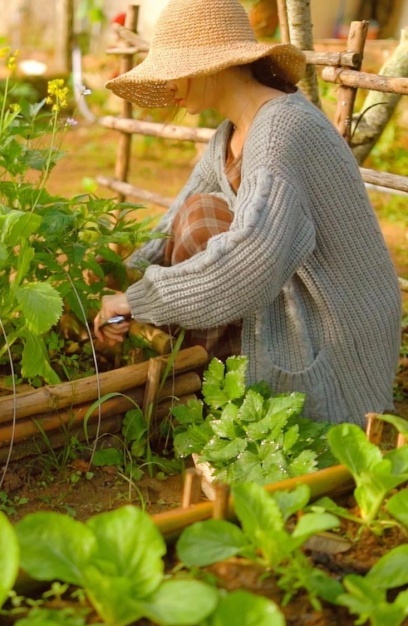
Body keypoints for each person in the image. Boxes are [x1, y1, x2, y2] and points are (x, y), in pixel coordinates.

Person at [93, 0, 402, 425]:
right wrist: (117, 287)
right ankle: (202, 382)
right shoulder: (231, 132)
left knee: (204, 220)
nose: (168, 87)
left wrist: (138, 299)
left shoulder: (282, 129)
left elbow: (250, 263)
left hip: (333, 327)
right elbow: (170, 225)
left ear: (213, 66)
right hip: (280, 289)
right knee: (196, 214)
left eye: (174, 70)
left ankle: (205, 393)